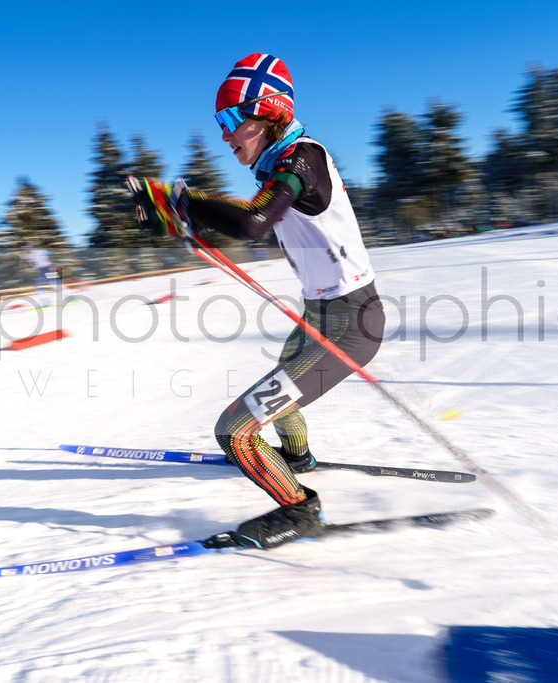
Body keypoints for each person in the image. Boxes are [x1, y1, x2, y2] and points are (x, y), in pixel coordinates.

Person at [129, 53, 385, 550]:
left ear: (267, 111)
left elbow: (252, 222)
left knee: (235, 431)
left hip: (352, 324)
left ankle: (300, 509)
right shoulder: (282, 166)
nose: (225, 136)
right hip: (322, 315)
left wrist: (182, 203)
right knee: (279, 381)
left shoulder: (301, 160)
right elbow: (258, 218)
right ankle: (298, 457)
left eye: (231, 121)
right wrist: (187, 217)